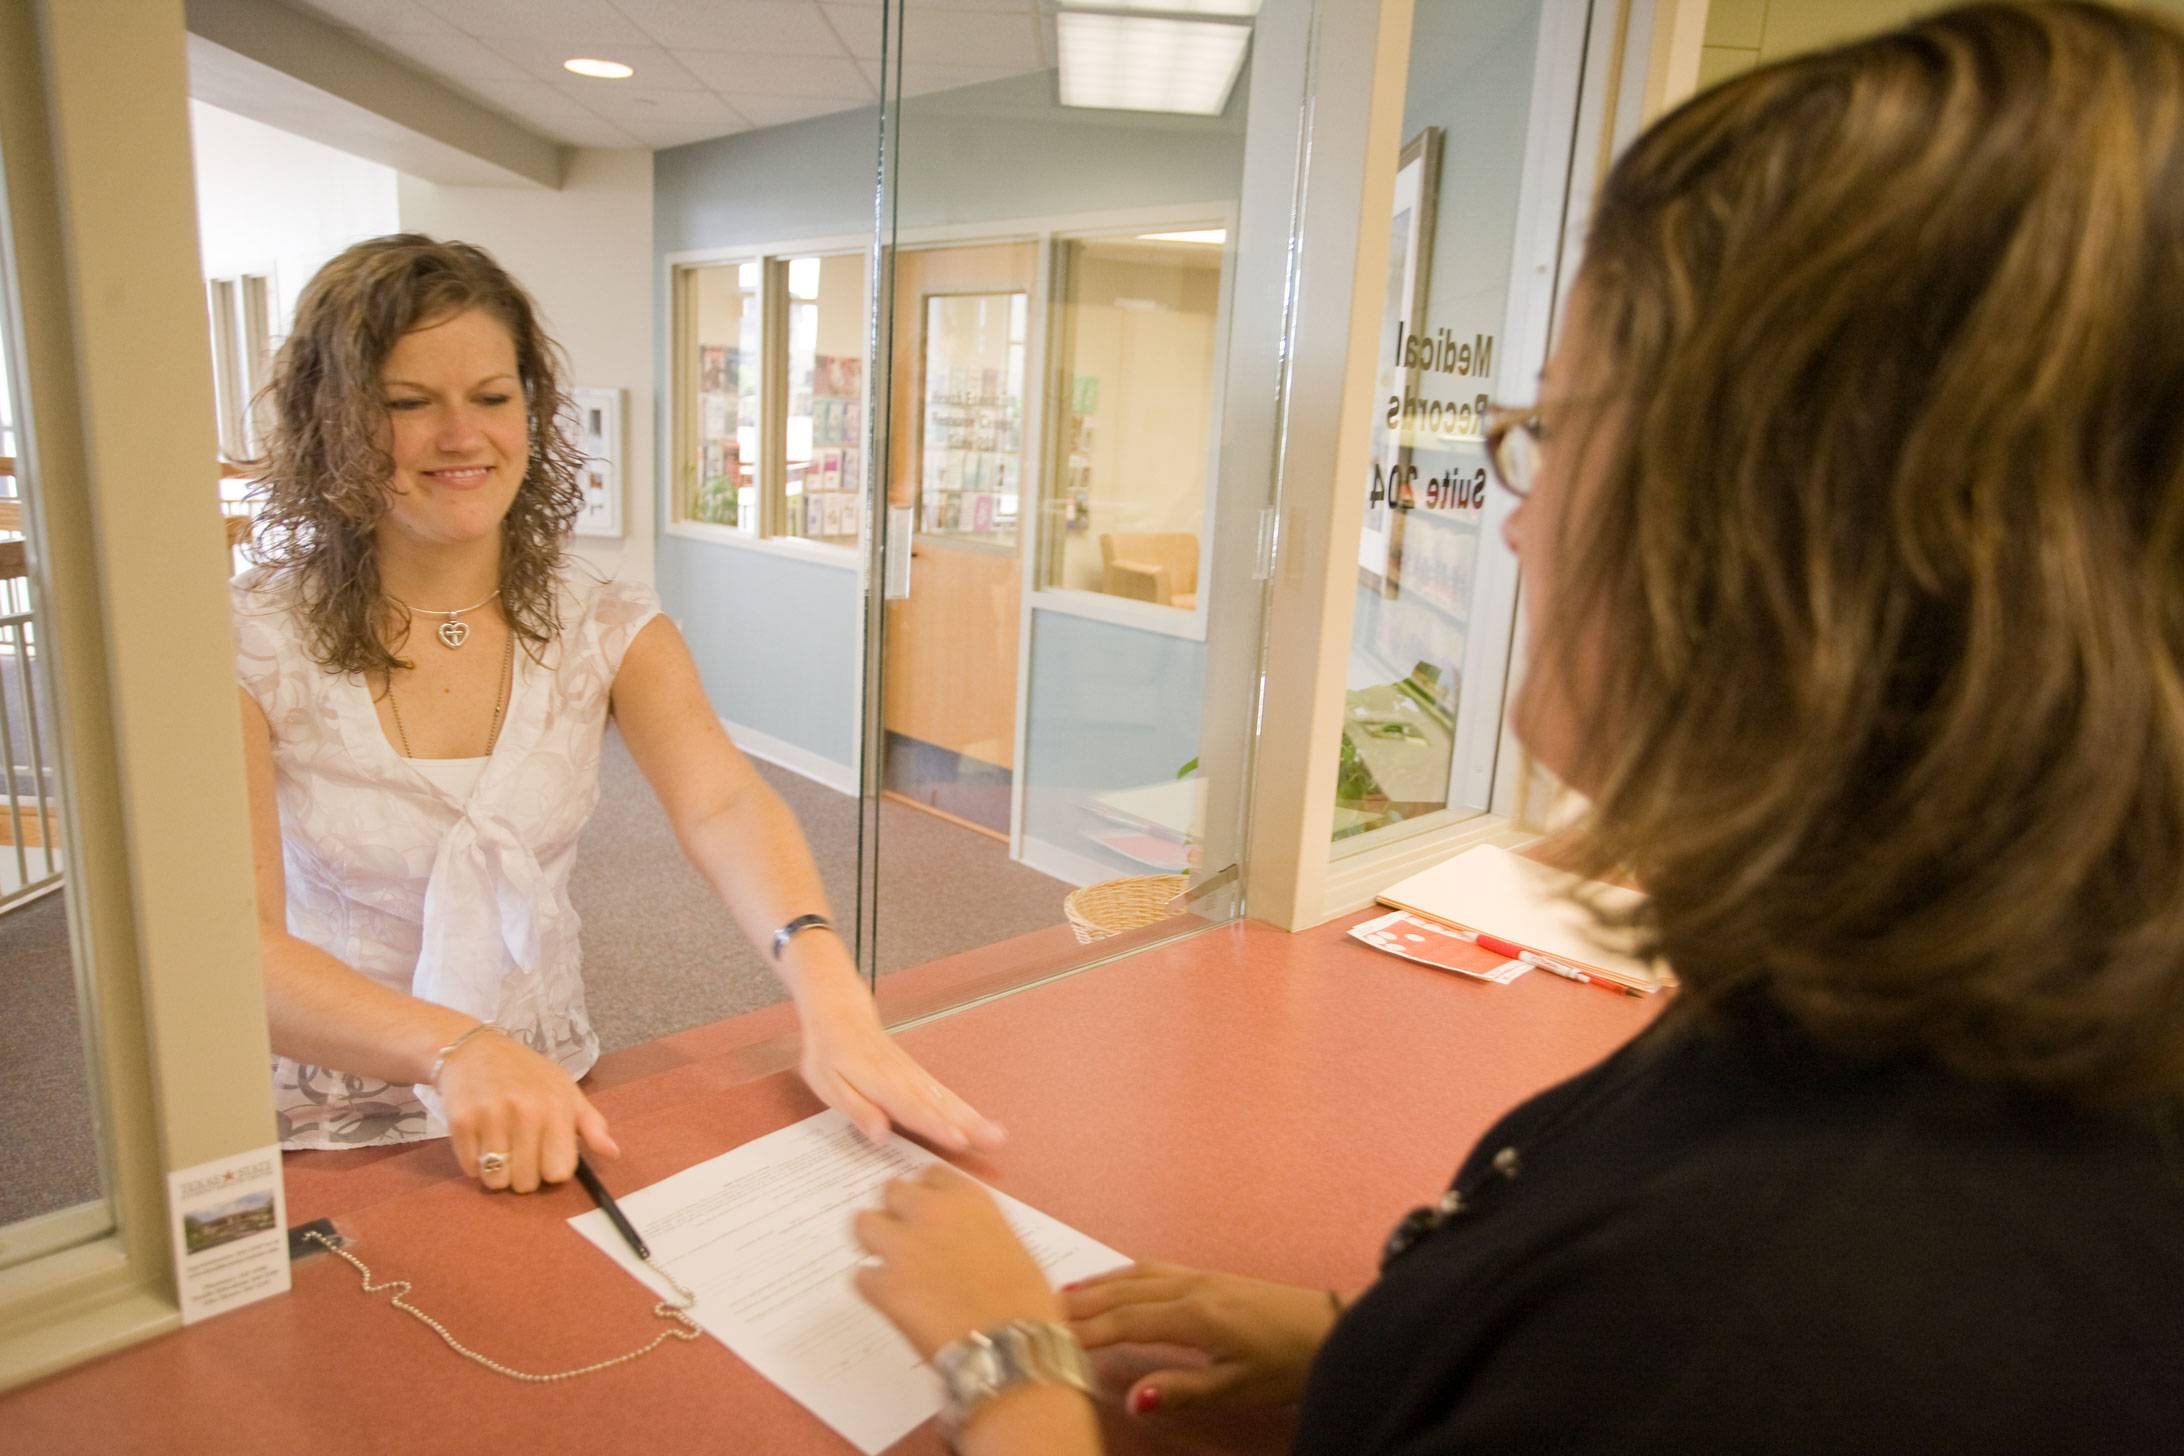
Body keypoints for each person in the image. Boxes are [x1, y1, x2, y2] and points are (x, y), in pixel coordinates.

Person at [848, 4, 2184, 1452]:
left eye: (1563, 428)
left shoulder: (1794, 1317)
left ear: (1801, 539)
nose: (1521, 522)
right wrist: (1384, 1344)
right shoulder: (1909, 1034)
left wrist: (1013, 1374)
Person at [235, 234, 1002, 1193]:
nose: (462, 436)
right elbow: (234, 946)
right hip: (331, 1119)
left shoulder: (603, 622)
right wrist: (455, 1049)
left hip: (545, 1090)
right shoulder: (252, 643)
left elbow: (724, 803)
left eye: (491, 396)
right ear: (332, 423)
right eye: (406, 404)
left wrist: (830, 991)